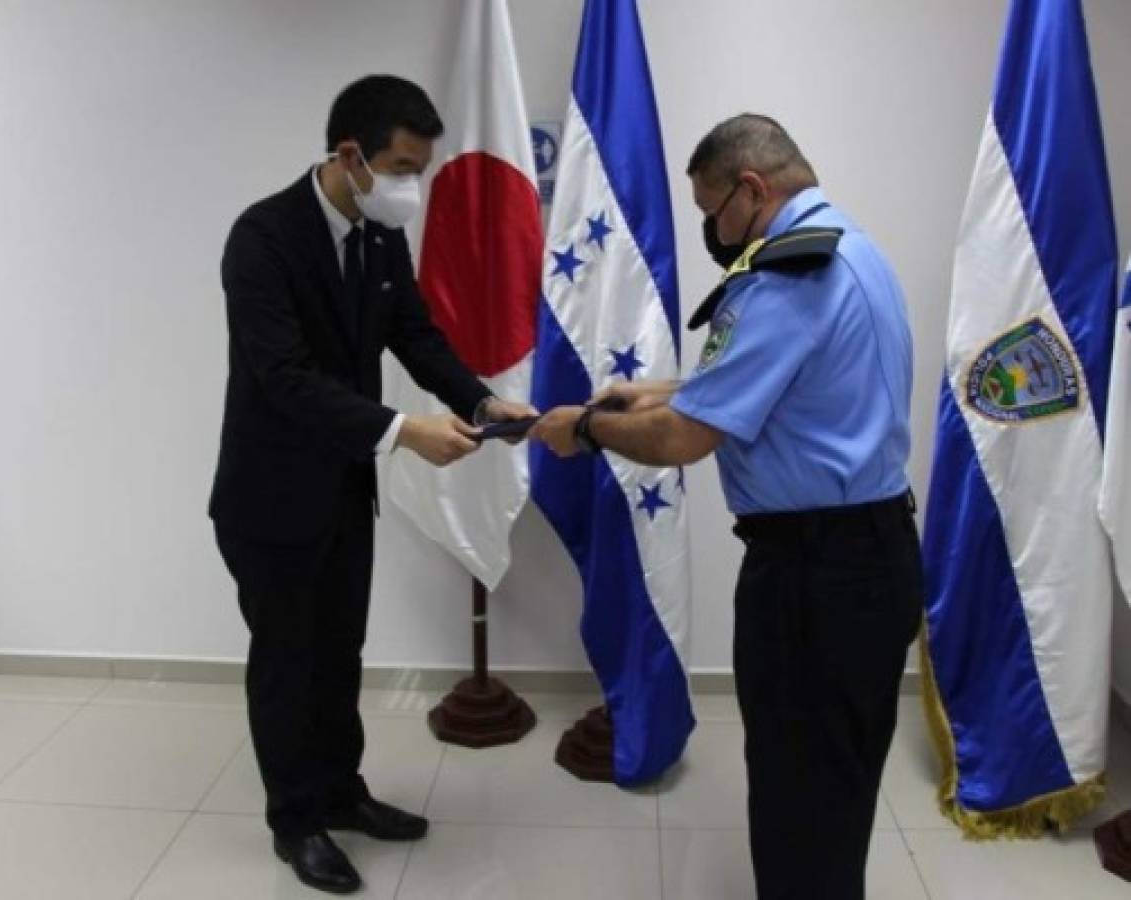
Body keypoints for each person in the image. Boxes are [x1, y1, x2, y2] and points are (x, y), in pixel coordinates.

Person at [531, 113, 922, 900]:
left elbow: (680, 441)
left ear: (751, 187)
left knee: (796, 788)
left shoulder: (783, 277)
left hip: (813, 576)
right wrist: (661, 387)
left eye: (712, 211)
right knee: (834, 783)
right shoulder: (853, 249)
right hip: (869, 560)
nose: (711, 229)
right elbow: (789, 383)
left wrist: (583, 428)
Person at [209, 74, 534, 895]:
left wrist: (479, 398)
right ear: (348, 155)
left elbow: (414, 334)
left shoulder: (379, 238)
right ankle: (296, 822)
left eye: (419, 168)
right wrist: (401, 433)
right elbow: (282, 377)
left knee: (338, 652)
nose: (410, 187)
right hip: (270, 498)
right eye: (399, 167)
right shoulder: (263, 238)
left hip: (345, 488)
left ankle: (341, 793)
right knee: (288, 658)